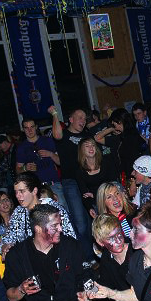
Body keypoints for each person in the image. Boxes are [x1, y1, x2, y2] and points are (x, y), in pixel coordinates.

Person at [84, 214, 138, 301]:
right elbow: (103, 286)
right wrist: (89, 292)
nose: (118, 240)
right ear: (101, 242)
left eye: (119, 234)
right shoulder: (107, 257)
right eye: (110, 238)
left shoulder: (136, 253)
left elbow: (148, 299)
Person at [49, 105, 94, 246]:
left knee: (91, 218)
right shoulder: (64, 135)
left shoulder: (86, 136)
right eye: (79, 118)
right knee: (80, 222)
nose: (83, 121)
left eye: (84, 119)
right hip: (71, 182)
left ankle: (94, 253)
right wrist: (55, 114)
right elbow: (56, 135)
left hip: (87, 180)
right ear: (71, 120)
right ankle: (86, 257)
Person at [0, 172, 76, 249]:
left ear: (34, 191)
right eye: (16, 192)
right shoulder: (18, 213)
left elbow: (71, 239)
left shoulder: (55, 210)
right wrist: (5, 246)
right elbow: (8, 237)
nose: (17, 196)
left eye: (22, 191)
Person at [15, 118, 60, 199]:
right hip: (36, 189)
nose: (30, 130)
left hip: (53, 184)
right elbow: (18, 170)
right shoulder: (21, 148)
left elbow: (60, 162)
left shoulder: (47, 141)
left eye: (32, 127)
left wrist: (50, 154)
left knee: (61, 210)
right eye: (26, 128)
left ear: (36, 127)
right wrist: (25, 168)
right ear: (23, 130)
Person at [75, 137, 119, 217]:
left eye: (93, 145)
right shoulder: (79, 171)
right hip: (96, 204)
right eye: (87, 146)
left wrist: (94, 194)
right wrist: (89, 208)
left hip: (113, 199)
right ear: (82, 150)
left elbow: (113, 185)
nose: (91, 148)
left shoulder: (106, 163)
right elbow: (84, 194)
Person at [108, 107, 146, 177]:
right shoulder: (128, 134)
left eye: (114, 120)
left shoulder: (129, 136)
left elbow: (133, 158)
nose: (112, 123)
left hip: (133, 175)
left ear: (120, 121)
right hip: (131, 174)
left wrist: (133, 178)